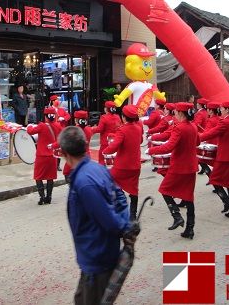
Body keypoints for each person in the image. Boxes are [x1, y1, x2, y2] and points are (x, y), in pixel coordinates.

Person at [59, 126, 137, 305]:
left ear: (64, 153)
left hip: (97, 256)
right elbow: (120, 197)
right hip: (94, 255)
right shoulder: (97, 169)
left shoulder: (84, 182)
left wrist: (124, 226)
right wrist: (125, 221)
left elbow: (108, 220)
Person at [147, 102, 199, 239]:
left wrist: (151, 150)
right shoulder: (193, 126)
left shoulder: (179, 128)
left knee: (164, 190)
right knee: (189, 197)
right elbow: (198, 142)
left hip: (179, 166)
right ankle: (189, 229)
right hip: (191, 166)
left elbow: (168, 147)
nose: (174, 113)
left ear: (181, 113)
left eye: (176, 111)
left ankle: (177, 216)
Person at [200, 101, 229, 218]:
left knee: (215, 181)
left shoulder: (225, 122)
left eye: (222, 108)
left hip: (225, 157)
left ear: (227, 110)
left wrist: (195, 137)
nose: (220, 110)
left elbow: (211, 133)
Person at [102, 105, 143, 221]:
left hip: (122, 166)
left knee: (112, 184)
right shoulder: (138, 128)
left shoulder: (122, 129)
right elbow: (140, 140)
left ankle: (120, 209)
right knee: (134, 190)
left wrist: (105, 151)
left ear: (123, 117)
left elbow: (114, 146)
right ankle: (133, 215)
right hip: (135, 165)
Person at [27, 107, 61, 204]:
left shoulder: (42, 126)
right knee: (50, 177)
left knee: (38, 176)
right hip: (52, 156)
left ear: (46, 116)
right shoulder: (58, 126)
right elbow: (61, 139)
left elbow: (30, 131)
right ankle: (49, 197)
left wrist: (29, 125)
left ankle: (42, 197)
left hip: (41, 156)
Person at [91, 101, 122, 165]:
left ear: (106, 109)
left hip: (105, 141)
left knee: (102, 159)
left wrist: (92, 129)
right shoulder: (117, 116)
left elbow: (99, 129)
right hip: (115, 140)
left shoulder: (104, 117)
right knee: (113, 157)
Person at [193, 98, 209, 175]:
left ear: (200, 105)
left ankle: (207, 171)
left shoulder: (200, 113)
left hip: (200, 134)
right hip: (205, 134)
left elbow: (197, 124)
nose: (196, 104)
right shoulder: (206, 112)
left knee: (198, 155)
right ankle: (203, 169)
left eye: (197, 104)